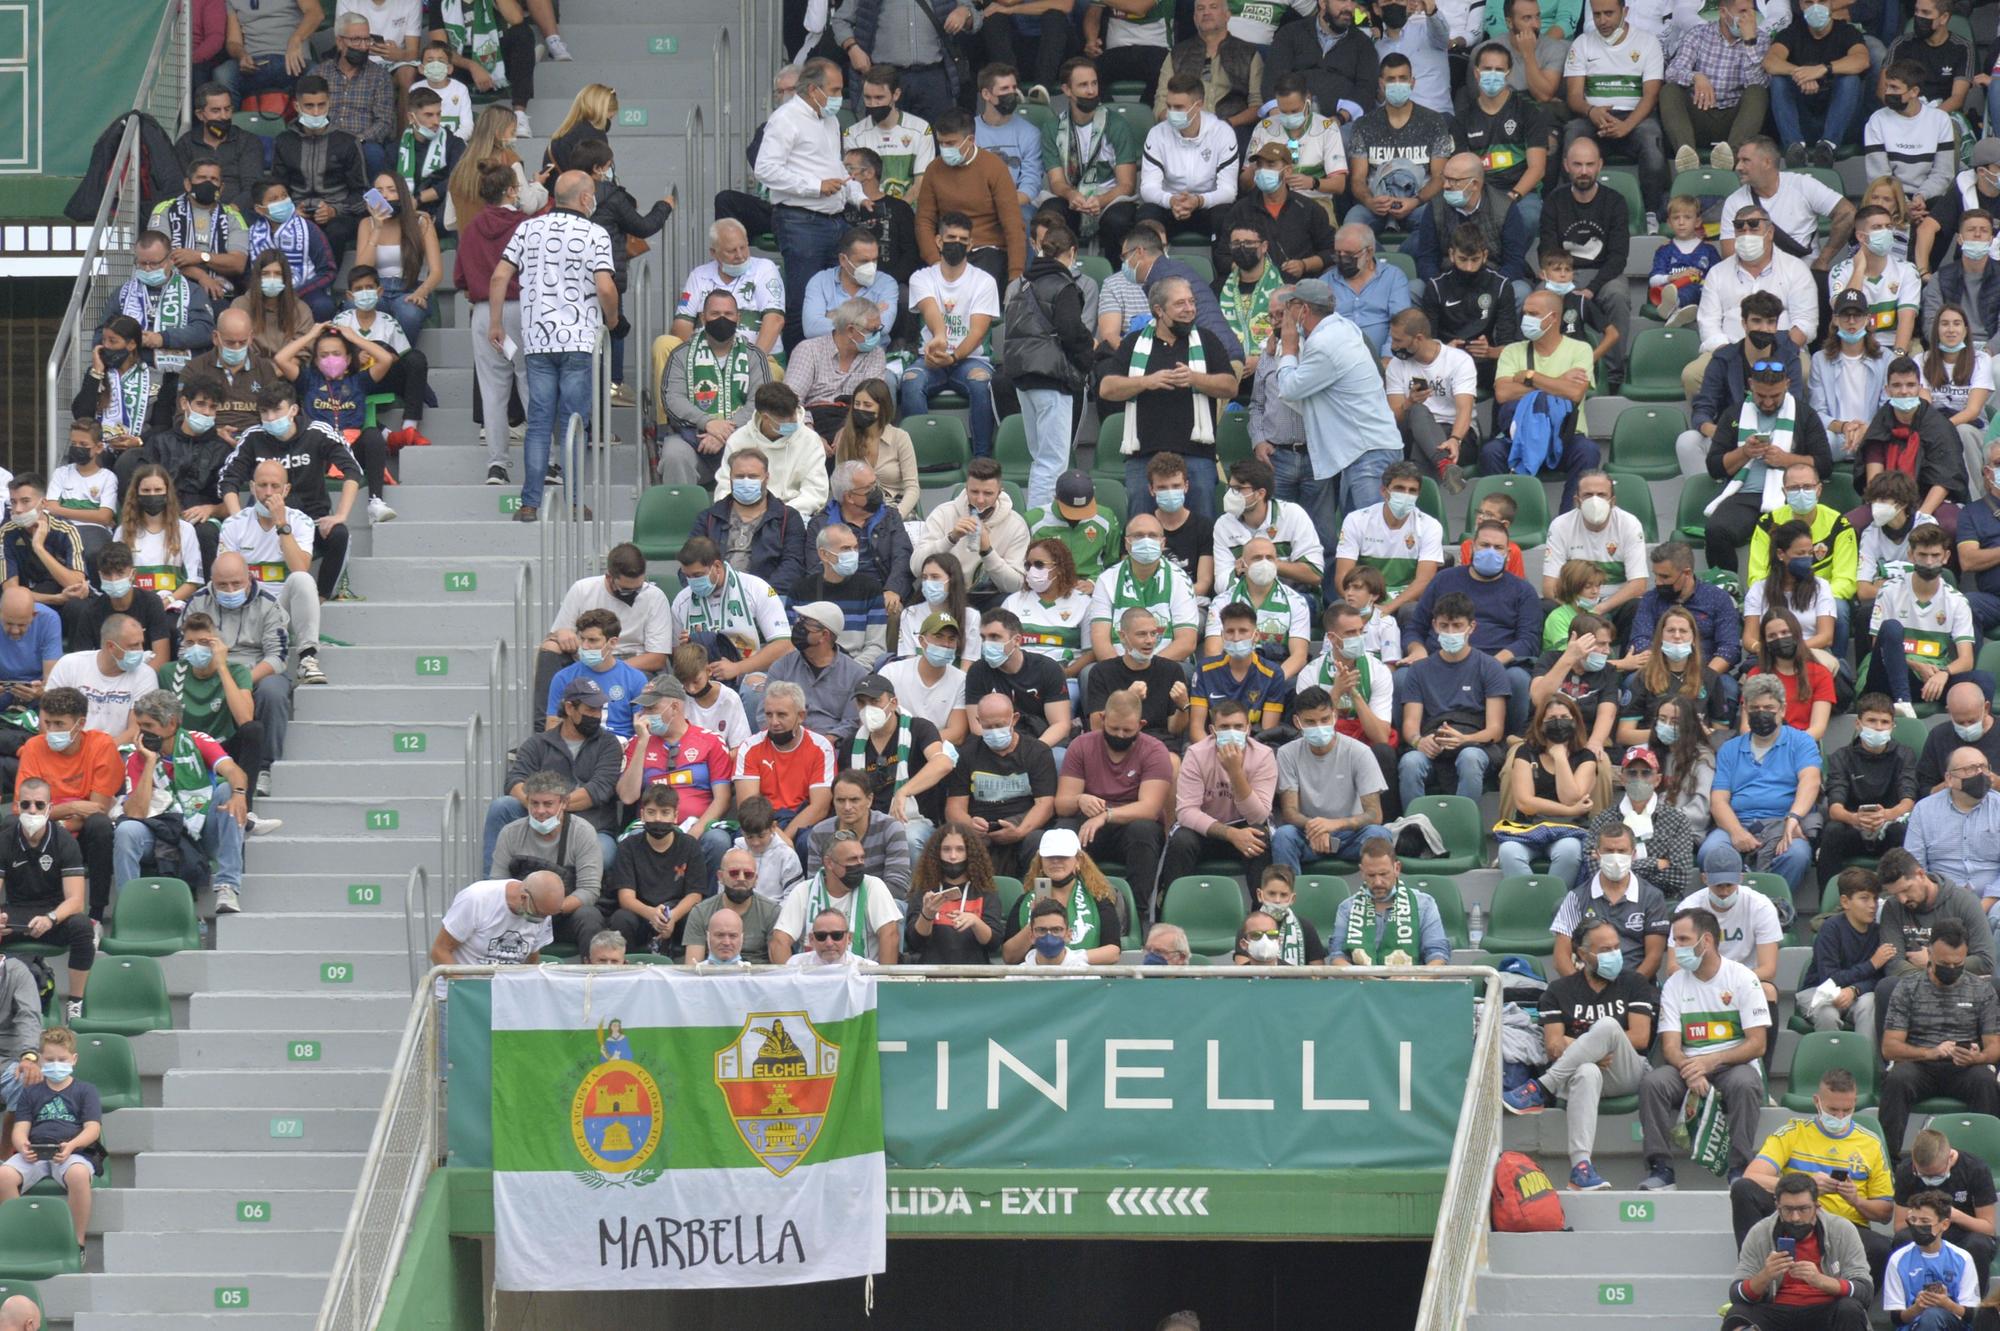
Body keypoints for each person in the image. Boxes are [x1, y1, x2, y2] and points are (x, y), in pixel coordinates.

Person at [486, 170, 614, 522]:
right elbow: (604, 287)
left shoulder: (527, 228)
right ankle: (574, 502)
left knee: (539, 423)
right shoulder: (595, 233)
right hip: (579, 340)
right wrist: (613, 321)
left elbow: (499, 276)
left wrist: (496, 322)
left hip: (538, 340)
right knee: (575, 423)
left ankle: (530, 503)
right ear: (586, 198)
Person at [1502, 917, 1658, 1191]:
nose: (1614, 955)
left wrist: (1596, 1042)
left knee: (1608, 1027)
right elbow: (1552, 1045)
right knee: (1587, 1071)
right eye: (1605, 950)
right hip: (1579, 1076)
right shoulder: (1559, 990)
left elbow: (1640, 1037)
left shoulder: (1634, 982)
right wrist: (1591, 1053)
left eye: (1616, 947)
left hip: (1625, 1070)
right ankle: (1581, 1168)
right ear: (1583, 954)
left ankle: (1541, 1087)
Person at [1638, 907, 1772, 1190]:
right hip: (1689, 1065)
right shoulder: (1674, 983)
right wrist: (1691, 1070)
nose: (1677, 947)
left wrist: (1710, 1063)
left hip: (1733, 1064)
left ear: (1707, 941)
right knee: (1653, 1083)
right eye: (1676, 940)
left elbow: (1757, 1044)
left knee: (1746, 1084)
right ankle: (1661, 1170)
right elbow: (1670, 1046)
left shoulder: (1742, 978)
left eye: (1684, 940)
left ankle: (1739, 1168)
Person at [1100, 278, 1239, 521]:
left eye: (1192, 302)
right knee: (1141, 527)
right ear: (1159, 311)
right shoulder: (1134, 343)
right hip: (1144, 455)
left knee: (1202, 528)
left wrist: (1195, 378)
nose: (1189, 309)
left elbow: (1230, 387)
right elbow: (1107, 388)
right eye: (1180, 304)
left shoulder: (1206, 340)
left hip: (1196, 454)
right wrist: (1145, 382)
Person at [113, 688, 248, 914]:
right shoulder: (136, 756)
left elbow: (234, 772)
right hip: (160, 835)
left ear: (172, 724)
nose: (141, 733)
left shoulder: (197, 741)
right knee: (126, 830)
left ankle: (228, 885)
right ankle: (129, 905)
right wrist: (149, 762)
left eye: (148, 726)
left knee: (227, 791)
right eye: (139, 726)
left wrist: (240, 793)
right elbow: (136, 812)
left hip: (202, 829)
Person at [1882, 918, 2000, 1166]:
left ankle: (1984, 1163)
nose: (1952, 968)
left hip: (1963, 1067)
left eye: (1958, 964)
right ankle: (1887, 1163)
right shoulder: (1908, 987)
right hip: (1920, 1065)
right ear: (1930, 954)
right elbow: (1889, 1047)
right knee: (1896, 1080)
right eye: (1944, 963)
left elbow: (1995, 1046)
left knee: (1986, 1082)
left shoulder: (1981, 990)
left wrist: (1977, 1057)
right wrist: (1930, 1052)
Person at [1704, 673, 1823, 914]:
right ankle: (1734, 909)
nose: (1762, 713)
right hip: (1737, 822)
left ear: (1782, 710)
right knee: (1710, 852)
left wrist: (1794, 818)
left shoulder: (1802, 742)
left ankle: (1768, 909)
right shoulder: (1729, 749)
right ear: (1745, 709)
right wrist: (1736, 832)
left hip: (1784, 822)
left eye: (1769, 707)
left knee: (1797, 855)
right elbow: (1718, 800)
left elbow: (1810, 781)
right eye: (1755, 708)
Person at [480, 677, 622, 875]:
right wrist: (539, 807)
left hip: (592, 827)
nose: (597, 716)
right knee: (501, 807)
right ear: (570, 708)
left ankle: (578, 900)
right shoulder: (538, 743)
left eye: (599, 709)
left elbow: (599, 790)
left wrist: (553, 806)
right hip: (537, 820)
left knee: (603, 853)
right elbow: (514, 781)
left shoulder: (609, 744)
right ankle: (491, 888)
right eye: (590, 710)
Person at [16, 688, 122, 928]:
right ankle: (19, 912)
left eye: (59, 724)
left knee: (100, 826)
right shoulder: (33, 747)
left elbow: (97, 809)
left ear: (80, 723)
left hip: (80, 834)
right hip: (43, 832)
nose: (51, 731)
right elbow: (24, 810)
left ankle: (95, 915)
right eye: (47, 723)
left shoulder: (101, 744)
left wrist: (55, 817)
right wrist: (72, 807)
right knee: (13, 825)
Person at [1396, 590, 1510, 806]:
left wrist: (1465, 740)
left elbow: (1495, 730)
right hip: (1433, 739)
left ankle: (1463, 827)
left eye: (1457, 626)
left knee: (1470, 758)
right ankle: (1415, 830)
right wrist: (1419, 741)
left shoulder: (1490, 667)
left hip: (1475, 742)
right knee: (1410, 762)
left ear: (1471, 627)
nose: (1450, 632)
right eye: (1444, 626)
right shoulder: (1419, 670)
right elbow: (1410, 724)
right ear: (1435, 626)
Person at [1724, 1170, 1877, 1330]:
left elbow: (1864, 1291)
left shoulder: (1842, 1230)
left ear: (1817, 1207)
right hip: (1777, 1310)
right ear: (1777, 1207)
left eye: (1803, 1209)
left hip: (1826, 1309)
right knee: (1737, 1315)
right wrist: (1766, 1275)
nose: (1795, 1217)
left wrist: (1821, 1281)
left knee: (1850, 1308)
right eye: (1788, 1210)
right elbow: (1737, 1294)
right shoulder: (1760, 1233)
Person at [1161, 697, 1277, 899]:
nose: (1232, 732)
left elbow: (1259, 815)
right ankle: (1171, 911)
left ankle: (1263, 916)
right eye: (1224, 727)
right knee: (1181, 840)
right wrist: (1230, 834)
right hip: (1205, 830)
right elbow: (1186, 812)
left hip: (1246, 826)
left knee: (1260, 838)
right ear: (1213, 731)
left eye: (1238, 726)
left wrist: (1235, 774)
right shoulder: (1196, 754)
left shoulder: (1264, 755)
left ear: (1248, 729)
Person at [0, 777, 94, 1017]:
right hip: (16, 913)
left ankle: (75, 1005)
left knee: (83, 926)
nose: (32, 810)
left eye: (39, 805)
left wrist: (50, 918)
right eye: (26, 805)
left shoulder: (64, 842)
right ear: (18, 806)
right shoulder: (5, 840)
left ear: (50, 808)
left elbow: (75, 901)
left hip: (53, 914)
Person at [1272, 685, 1390, 871]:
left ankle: (1375, 898)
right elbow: (1290, 811)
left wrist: (1334, 825)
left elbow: (1375, 814)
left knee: (1379, 835)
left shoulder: (1359, 752)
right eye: (1310, 722)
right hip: (1308, 833)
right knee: (1283, 836)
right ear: (1297, 722)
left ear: (1334, 715)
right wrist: (1316, 827)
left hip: (1351, 834)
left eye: (1325, 719)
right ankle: (1288, 897)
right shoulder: (1287, 753)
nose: (1319, 727)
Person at [0, 1026, 98, 1249]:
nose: (56, 1064)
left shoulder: (86, 1091)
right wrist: (21, 1146)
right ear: (40, 1060)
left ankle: (76, 1242)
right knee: (3, 1175)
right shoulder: (31, 1092)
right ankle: (19, 1238)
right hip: (35, 1153)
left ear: (74, 1059)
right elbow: (20, 1128)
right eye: (50, 1059)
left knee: (79, 1175)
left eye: (62, 1059)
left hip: (71, 1152)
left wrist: (72, 1145)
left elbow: (92, 1129)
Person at [489, 770, 610, 946]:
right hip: (521, 915)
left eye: (548, 804)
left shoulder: (583, 832)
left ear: (564, 803)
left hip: (563, 914)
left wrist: (549, 909)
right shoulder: (510, 833)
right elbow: (497, 885)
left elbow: (589, 890)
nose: (540, 811)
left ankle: (592, 972)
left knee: (589, 916)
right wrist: (526, 911)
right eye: (534, 803)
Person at [1865, 60, 1960, 278]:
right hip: (1891, 194)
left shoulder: (1939, 120)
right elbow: (1879, 176)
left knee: (1940, 212)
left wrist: (1919, 197)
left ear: (1914, 91)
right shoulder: (1877, 121)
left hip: (1927, 197)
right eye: (1887, 86)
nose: (1887, 92)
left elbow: (1943, 173)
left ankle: (1923, 275)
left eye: (1895, 88)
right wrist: (1903, 204)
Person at [946, 691, 1057, 878]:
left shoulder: (1037, 752)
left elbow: (1045, 805)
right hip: (982, 830)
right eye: (988, 726)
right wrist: (969, 823)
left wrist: (1020, 832)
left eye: (999, 725)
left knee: (1038, 841)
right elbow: (954, 808)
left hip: (1024, 825)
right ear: (978, 721)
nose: (994, 731)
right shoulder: (967, 754)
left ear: (1014, 719)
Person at [1342, 54, 1454, 239]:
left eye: (1403, 78)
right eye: (1391, 79)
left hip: (1419, 204)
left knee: (1436, 224)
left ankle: (1403, 263)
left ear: (1412, 82)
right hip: (1375, 205)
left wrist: (1415, 201)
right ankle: (1375, 266)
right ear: (1381, 83)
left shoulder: (1434, 122)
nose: (1397, 84)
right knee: (1352, 226)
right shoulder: (1364, 124)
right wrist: (1370, 201)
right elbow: (1358, 180)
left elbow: (1439, 177)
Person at [1039, 57, 1140, 259]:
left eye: (1094, 83)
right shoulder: (1052, 128)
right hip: (1072, 198)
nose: (1091, 90)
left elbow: (1127, 184)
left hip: (1109, 197)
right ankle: (1058, 272)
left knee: (1118, 220)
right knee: (1050, 215)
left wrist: (1100, 200)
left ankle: (1116, 274)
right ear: (1067, 90)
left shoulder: (1117, 125)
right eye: (1083, 85)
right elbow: (1056, 182)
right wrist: (1071, 195)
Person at [1496, 694, 1599, 883]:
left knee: (1569, 851)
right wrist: (1569, 810)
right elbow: (1524, 802)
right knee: (1508, 851)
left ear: (1575, 722)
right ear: (1540, 724)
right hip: (1529, 827)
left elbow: (1570, 798)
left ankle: (1555, 905)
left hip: (1571, 829)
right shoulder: (1525, 752)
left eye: (1564, 718)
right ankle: (1532, 902)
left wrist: (1559, 757)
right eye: (1551, 719)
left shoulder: (1586, 757)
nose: (1558, 723)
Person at [1549, 820, 1672, 979]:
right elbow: (1561, 959)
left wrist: (1628, 991)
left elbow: (1654, 958)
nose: (1615, 857)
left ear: (1633, 854)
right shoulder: (1576, 898)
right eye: (1608, 851)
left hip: (1636, 986)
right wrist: (1581, 992)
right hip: (1587, 988)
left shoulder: (1652, 897)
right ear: (1597, 854)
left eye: (1622, 851)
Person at [1818, 697, 1917, 884]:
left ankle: (1897, 898)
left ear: (1892, 726)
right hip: (1852, 826)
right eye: (1871, 721)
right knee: (1832, 831)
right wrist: (1855, 818)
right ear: (1858, 724)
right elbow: (1835, 807)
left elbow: (1908, 800)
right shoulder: (1841, 757)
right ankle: (1828, 904)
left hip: (1889, 826)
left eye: (1885, 722)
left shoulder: (1905, 755)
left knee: (1902, 832)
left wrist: (1887, 815)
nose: (1878, 727)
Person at [602, 785, 709, 957]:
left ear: (675, 816)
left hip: (677, 913)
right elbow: (625, 898)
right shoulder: (628, 846)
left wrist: (672, 917)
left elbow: (695, 894)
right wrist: (651, 914)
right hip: (641, 913)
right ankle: (624, 964)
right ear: (642, 815)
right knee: (620, 918)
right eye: (651, 812)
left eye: (665, 812)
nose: (658, 818)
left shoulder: (689, 845)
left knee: (696, 916)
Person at [272, 77, 369, 264]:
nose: (316, 112)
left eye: (321, 105)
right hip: (296, 211)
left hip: (338, 215)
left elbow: (361, 192)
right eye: (309, 106)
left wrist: (334, 210)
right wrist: (290, 210)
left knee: (337, 231)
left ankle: (325, 283)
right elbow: (276, 188)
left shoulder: (347, 141)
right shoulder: (284, 141)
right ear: (297, 106)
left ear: (329, 103)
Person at [996, 828, 1126, 965]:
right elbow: (1009, 957)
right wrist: (1034, 922)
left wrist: (1070, 959)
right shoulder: (1025, 901)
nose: (1056, 861)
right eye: (1050, 856)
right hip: (1037, 979)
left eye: (1063, 856)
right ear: (1040, 861)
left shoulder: (1098, 898)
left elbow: (1113, 953)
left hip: (1086, 979)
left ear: (1078, 860)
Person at [771, 828, 901, 964]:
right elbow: (779, 940)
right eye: (852, 860)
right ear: (829, 863)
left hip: (863, 978)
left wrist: (883, 981)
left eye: (862, 858)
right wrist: (790, 980)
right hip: (814, 978)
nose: (859, 864)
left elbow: (890, 935)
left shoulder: (873, 886)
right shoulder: (804, 890)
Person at [733, 682, 839, 848]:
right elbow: (749, 807)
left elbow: (819, 807)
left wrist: (785, 839)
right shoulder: (749, 747)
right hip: (761, 821)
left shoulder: (821, 747)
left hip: (802, 820)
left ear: (801, 716)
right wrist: (778, 837)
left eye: (782, 715)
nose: (774, 722)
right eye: (769, 714)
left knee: (809, 841)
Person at [109, 229, 221, 382]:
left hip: (181, 375)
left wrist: (163, 338)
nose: (147, 269)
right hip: (132, 374)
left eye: (154, 264)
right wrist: (128, 340)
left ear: (170, 260)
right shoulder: (122, 293)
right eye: (142, 263)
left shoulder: (192, 291)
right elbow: (102, 334)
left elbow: (205, 331)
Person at [1764, 6, 1869, 165]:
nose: (1815, 6)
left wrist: (1823, 69)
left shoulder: (1847, 32)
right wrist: (1801, 74)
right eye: (1809, 1)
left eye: (1821, 1)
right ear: (1801, 5)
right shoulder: (1791, 32)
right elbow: (1770, 62)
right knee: (1778, 80)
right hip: (1801, 119)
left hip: (1838, 120)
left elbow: (1862, 60)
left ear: (1830, 4)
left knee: (1851, 80)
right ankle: (1794, 148)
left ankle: (1828, 147)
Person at [910, 458, 1030, 596]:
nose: (980, 500)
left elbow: (1015, 586)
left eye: (988, 493)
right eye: (974, 492)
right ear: (966, 489)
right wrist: (950, 539)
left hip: (989, 597)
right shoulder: (943, 513)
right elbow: (916, 568)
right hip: (947, 593)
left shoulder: (1016, 524)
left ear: (999, 492)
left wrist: (987, 552)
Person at [1906, 748, 2000, 919]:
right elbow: (1915, 865)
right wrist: (1935, 898)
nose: (1979, 774)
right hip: (1939, 896)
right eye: (1970, 769)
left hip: (1992, 899)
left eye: (1984, 767)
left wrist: (1982, 906)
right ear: (1949, 778)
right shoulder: (1924, 810)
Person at [1895, 1129, 2000, 1282]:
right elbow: (1899, 1226)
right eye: (1922, 1175)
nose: (1929, 1179)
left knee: (1979, 1245)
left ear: (1950, 1157)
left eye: (1936, 1175)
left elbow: (1988, 1228)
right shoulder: (1906, 1170)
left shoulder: (1976, 1169)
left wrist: (1955, 1215)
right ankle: (1910, 1298)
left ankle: (1972, 1303)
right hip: (1923, 1230)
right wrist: (1919, 1220)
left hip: (1964, 1233)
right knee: (1903, 1239)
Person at [1329, 837, 1452, 965]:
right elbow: (1337, 956)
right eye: (1371, 875)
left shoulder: (1424, 904)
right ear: (1362, 872)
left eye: (1383, 874)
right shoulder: (1347, 908)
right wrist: (1357, 976)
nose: (1377, 882)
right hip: (1360, 983)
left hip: (1411, 983)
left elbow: (1438, 955)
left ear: (1397, 868)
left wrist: (1415, 977)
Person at [671, 220, 787, 354]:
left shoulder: (765, 268)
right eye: (731, 251)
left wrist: (753, 363)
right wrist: (699, 361)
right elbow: (681, 324)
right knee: (664, 344)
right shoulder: (698, 275)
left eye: (743, 247)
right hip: (704, 359)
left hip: (759, 359)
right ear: (713, 253)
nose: (740, 256)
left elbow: (775, 320)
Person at [46, 617, 156, 744]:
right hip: (71, 747)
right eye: (133, 646)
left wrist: (98, 754)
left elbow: (135, 730)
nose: (140, 651)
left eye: (141, 643)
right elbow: (47, 713)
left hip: (116, 751)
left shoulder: (146, 675)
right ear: (111, 646)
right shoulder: (70, 664)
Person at [903, 822, 1002, 964]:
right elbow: (915, 943)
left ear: (970, 853)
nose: (953, 856)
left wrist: (976, 923)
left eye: (960, 849)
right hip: (931, 975)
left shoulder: (985, 891)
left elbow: (994, 943)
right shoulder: (924, 890)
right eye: (946, 849)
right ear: (936, 853)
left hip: (974, 975)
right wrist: (927, 915)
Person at [428, 872, 563, 974]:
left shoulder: (542, 910)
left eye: (548, 915)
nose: (543, 919)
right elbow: (439, 951)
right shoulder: (477, 898)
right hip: (463, 990)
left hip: (504, 995)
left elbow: (532, 959)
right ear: (524, 898)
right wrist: (465, 990)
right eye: (540, 914)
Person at [1885, 1191, 1982, 1329]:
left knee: (1933, 1315)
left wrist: (1946, 1303)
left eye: (1924, 1221)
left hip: (1952, 1324)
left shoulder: (1962, 1258)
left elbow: (1969, 1315)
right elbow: (1897, 1319)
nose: (1917, 1225)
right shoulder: (1898, 1260)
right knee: (1930, 1316)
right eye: (1913, 1220)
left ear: (1944, 1224)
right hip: (1914, 1326)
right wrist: (1918, 1307)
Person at [845, 65, 935, 205]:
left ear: (896, 94)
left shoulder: (921, 129)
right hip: (871, 212)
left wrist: (898, 211)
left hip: (909, 213)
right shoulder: (853, 134)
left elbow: (921, 183)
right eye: (867, 98)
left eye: (879, 97)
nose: (873, 104)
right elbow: (854, 182)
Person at [177, 84, 269, 212]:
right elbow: (180, 186)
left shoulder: (248, 141)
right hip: (195, 212)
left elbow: (253, 187)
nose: (224, 116)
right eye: (216, 110)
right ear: (200, 114)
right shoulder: (186, 144)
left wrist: (229, 212)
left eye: (227, 109)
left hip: (239, 213)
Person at [683, 850, 781, 965]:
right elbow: (693, 967)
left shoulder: (771, 912)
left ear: (756, 879)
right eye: (734, 873)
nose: (741, 878)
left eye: (748, 874)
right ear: (720, 876)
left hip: (757, 979)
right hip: (712, 978)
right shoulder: (701, 912)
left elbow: (779, 970)